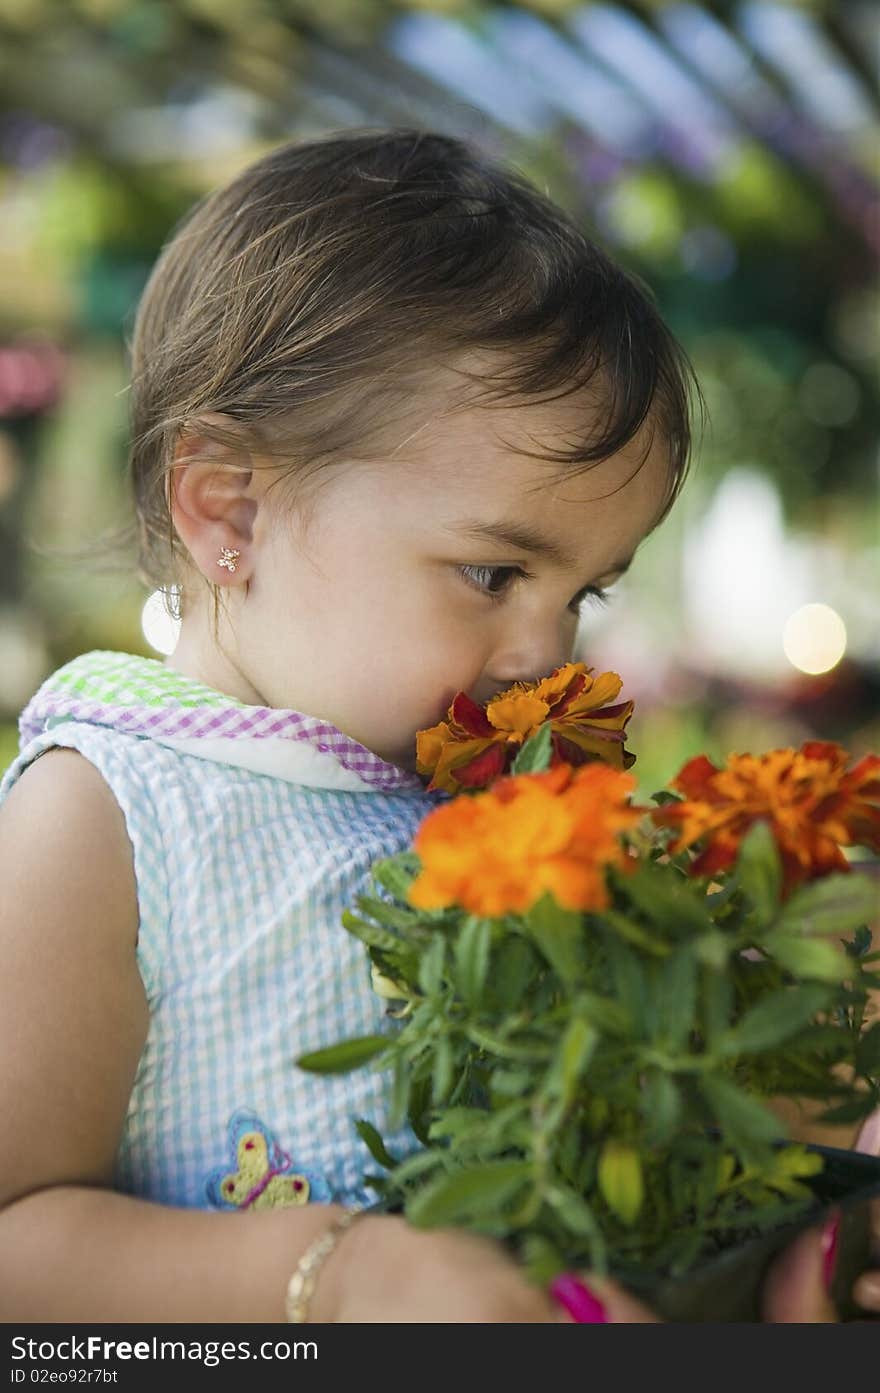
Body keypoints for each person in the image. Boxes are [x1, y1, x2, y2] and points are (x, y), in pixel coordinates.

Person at [0, 128, 876, 1324]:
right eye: (491, 572)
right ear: (229, 511)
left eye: (585, 591)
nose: (546, 654)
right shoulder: (108, 813)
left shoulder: (484, 798)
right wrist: (333, 1274)